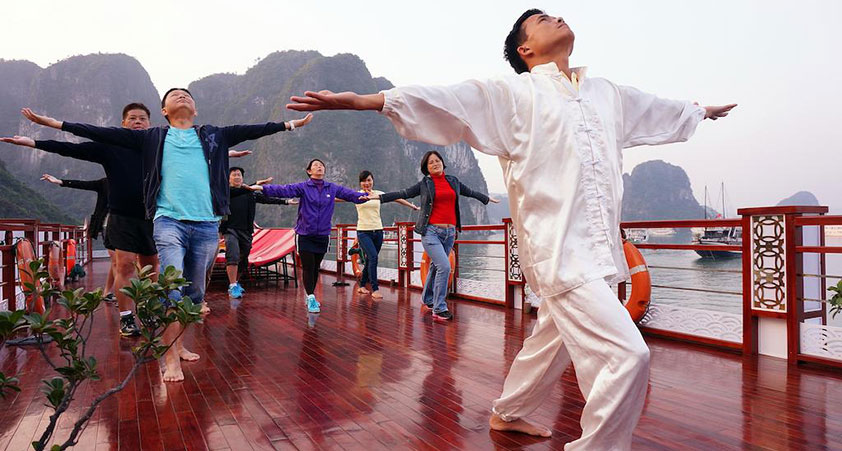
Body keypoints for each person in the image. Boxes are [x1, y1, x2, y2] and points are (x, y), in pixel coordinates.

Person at [286, 9, 736, 449]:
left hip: (598, 248)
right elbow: (449, 100)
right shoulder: (515, 96)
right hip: (559, 251)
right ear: (525, 49)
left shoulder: (606, 94)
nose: (556, 18)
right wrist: (367, 101)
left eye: (554, 15)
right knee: (628, 356)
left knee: (551, 341)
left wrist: (698, 112)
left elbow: (656, 109)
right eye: (541, 20)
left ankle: (509, 412)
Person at [19, 88, 314, 382]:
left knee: (195, 294)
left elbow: (253, 130)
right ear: (164, 111)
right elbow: (96, 133)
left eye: (187, 95)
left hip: (207, 223)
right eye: (174, 95)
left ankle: (177, 344)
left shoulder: (214, 136)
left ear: (195, 109)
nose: (182, 96)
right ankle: (169, 355)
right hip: (168, 221)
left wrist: (289, 124)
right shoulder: (152, 138)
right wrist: (52, 124)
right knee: (172, 286)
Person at [2, 103, 162, 337]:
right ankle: (127, 317)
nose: (137, 122)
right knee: (125, 265)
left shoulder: (158, 146)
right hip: (122, 216)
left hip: (153, 215)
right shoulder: (111, 147)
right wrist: (33, 142)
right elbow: (70, 149)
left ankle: (149, 308)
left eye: (142, 118)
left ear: (150, 123)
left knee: (152, 266)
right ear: (123, 123)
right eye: (132, 118)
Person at [369, 151, 498, 320]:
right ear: (426, 168)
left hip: (450, 233)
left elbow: (470, 192)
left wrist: (486, 198)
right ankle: (439, 307)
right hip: (431, 232)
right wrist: (380, 198)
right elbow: (404, 193)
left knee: (435, 267)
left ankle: (427, 299)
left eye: (437, 160)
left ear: (442, 162)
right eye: (431, 162)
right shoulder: (425, 184)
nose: (435, 164)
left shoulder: (453, 181)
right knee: (444, 266)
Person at [250, 159, 367, 313]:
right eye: (315, 165)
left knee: (315, 267)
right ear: (309, 171)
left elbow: (349, 194)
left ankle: (310, 295)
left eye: (321, 165)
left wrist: (366, 196)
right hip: (305, 234)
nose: (319, 167)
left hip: (323, 234)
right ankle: (311, 297)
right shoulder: (303, 187)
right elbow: (285, 190)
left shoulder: (331, 188)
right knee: (308, 266)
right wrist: (262, 188)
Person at [39, 174, 117, 301]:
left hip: (125, 225)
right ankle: (115, 294)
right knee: (116, 261)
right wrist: (59, 181)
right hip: (107, 226)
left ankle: (109, 292)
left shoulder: (129, 181)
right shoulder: (105, 183)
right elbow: (83, 184)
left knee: (119, 262)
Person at [221, 167, 294, 299]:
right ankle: (232, 285)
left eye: (239, 175)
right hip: (230, 229)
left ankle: (235, 282)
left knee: (244, 259)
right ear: (228, 179)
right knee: (233, 254)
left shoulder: (250, 193)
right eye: (234, 175)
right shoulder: (227, 192)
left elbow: (267, 199)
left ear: (242, 178)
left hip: (246, 231)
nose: (237, 177)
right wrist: (255, 184)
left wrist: (286, 201)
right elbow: (239, 191)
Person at [353, 170, 419, 299]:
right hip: (363, 232)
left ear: (373, 181)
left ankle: (362, 286)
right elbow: (338, 198)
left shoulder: (378, 194)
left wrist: (412, 206)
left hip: (378, 231)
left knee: (370, 259)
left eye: (369, 180)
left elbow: (396, 198)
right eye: (364, 181)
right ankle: (375, 288)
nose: (366, 183)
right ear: (360, 183)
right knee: (373, 257)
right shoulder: (356, 195)